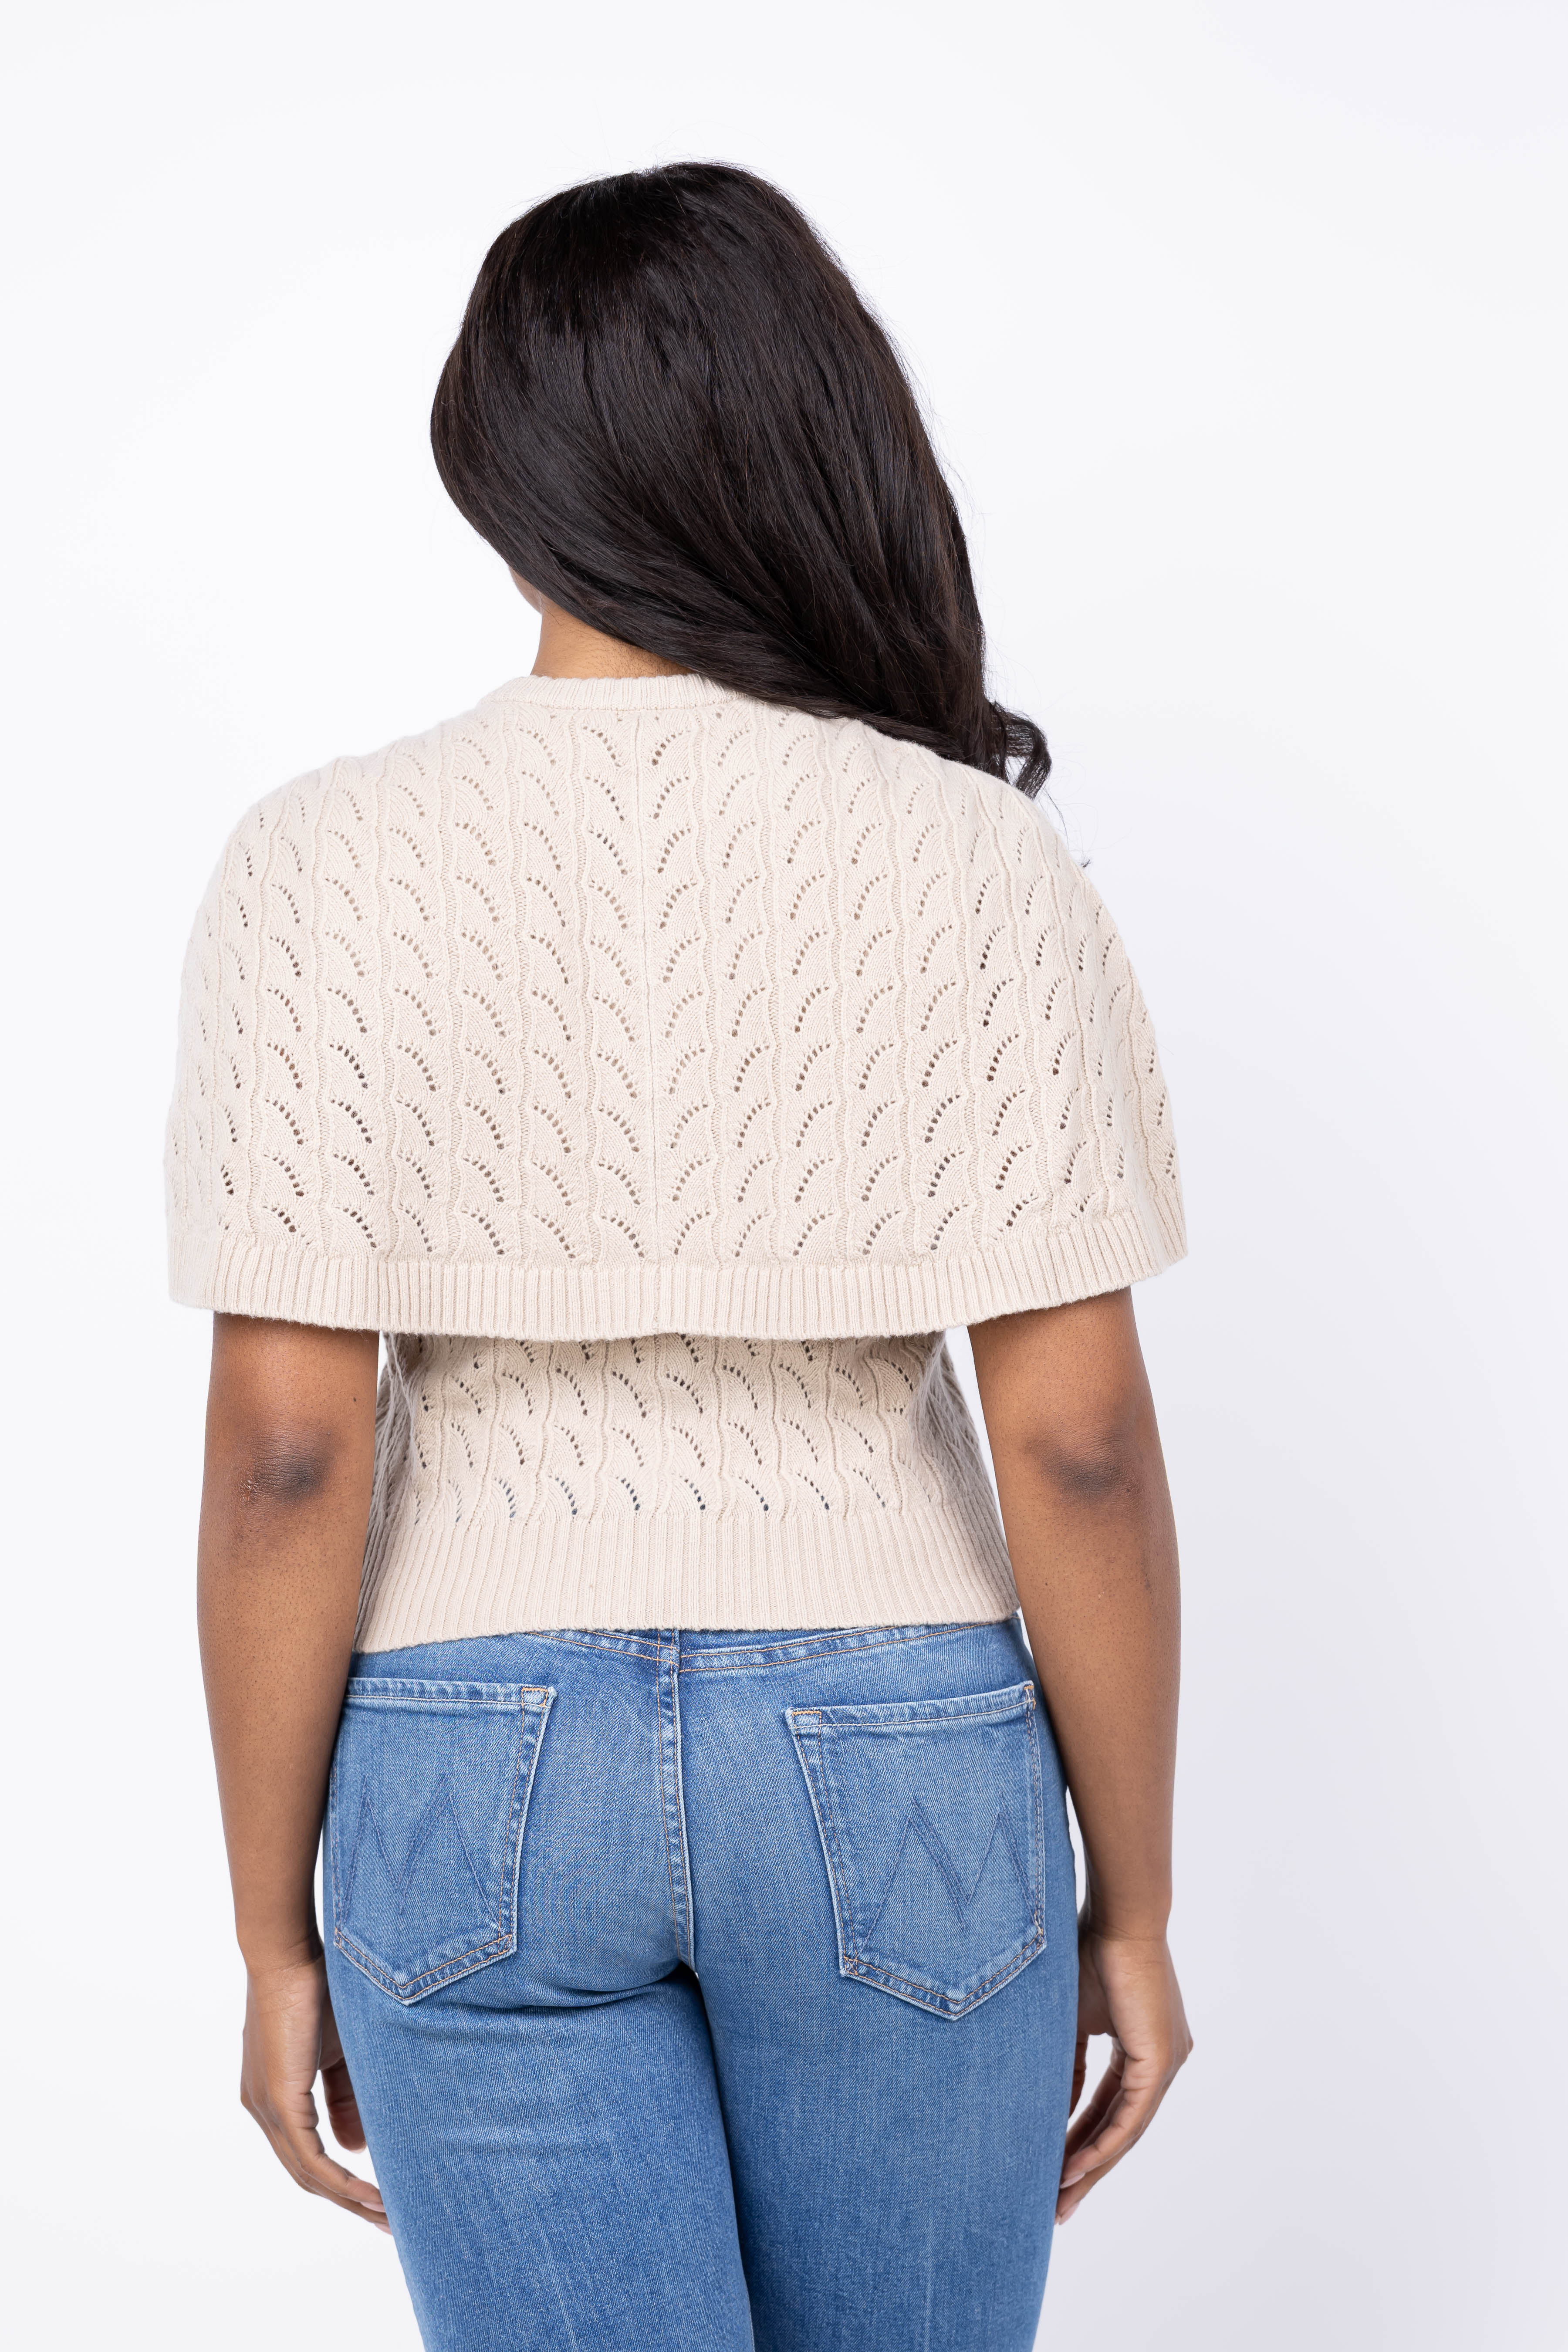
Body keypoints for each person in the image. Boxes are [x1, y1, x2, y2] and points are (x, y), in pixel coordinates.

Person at [169, 162, 1192, 2352]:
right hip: (901, 1743)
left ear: (494, 469)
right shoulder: (973, 860)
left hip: (469, 1754)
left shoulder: (317, 865)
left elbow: (285, 1453)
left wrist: (271, 1935)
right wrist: (1137, 1901)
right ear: (806, 440)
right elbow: (1080, 1444)